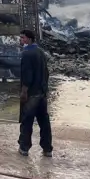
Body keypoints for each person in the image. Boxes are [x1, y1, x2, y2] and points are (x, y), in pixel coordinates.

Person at [18, 29, 53, 157]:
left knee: (27, 121)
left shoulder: (27, 53)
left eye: (22, 38)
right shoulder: (40, 52)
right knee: (44, 121)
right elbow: (46, 72)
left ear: (29, 39)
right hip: (42, 92)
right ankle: (47, 149)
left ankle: (24, 148)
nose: (20, 40)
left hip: (32, 93)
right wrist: (45, 89)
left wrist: (24, 92)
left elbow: (27, 75)